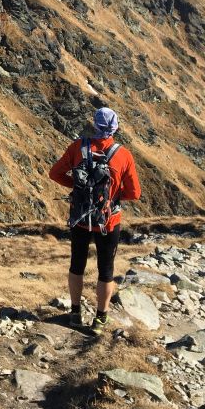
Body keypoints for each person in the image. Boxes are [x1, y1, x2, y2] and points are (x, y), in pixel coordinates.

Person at [49, 107, 141, 335]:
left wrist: (78, 188)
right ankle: (100, 319)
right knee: (106, 270)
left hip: (81, 217)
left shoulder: (77, 148)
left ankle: (75, 313)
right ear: (115, 128)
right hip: (108, 221)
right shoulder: (123, 155)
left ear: (95, 124)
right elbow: (134, 193)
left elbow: (55, 173)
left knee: (77, 265)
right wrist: (112, 196)